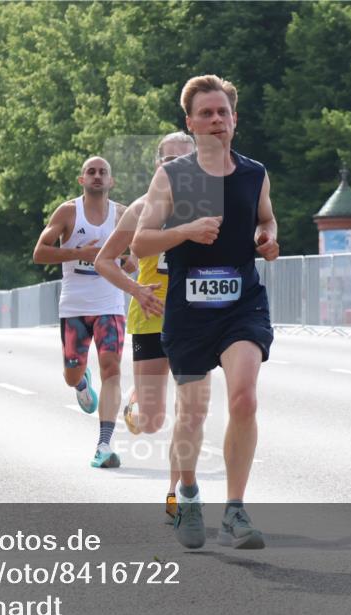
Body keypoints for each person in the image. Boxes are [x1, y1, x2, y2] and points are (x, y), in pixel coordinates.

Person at [131, 74, 280, 550]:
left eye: (223, 113)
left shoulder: (254, 173)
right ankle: (189, 495)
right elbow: (141, 240)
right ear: (190, 123)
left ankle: (235, 511)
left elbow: (266, 217)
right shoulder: (173, 176)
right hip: (189, 309)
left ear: (234, 120)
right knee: (191, 413)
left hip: (241, 302)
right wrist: (186, 231)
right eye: (206, 114)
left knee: (244, 399)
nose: (216, 121)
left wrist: (268, 239)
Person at [96, 131, 195, 522]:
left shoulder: (209, 206)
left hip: (194, 319)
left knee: (188, 411)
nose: (176, 168)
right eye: (168, 161)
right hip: (151, 315)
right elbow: (106, 260)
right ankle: (134, 406)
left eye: (184, 161)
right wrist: (135, 289)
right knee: (152, 422)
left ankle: (177, 496)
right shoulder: (140, 209)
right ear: (158, 165)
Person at [32, 156, 131, 469]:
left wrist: (129, 263)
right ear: (82, 180)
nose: (97, 176)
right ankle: (80, 383)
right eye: (92, 172)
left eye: (103, 172)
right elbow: (39, 252)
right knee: (71, 373)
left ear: (111, 181)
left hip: (110, 305)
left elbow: (137, 256)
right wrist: (79, 253)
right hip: (74, 306)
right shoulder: (68, 212)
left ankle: (104, 444)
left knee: (112, 369)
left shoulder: (122, 214)